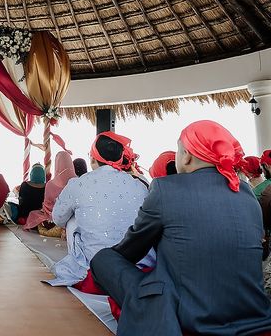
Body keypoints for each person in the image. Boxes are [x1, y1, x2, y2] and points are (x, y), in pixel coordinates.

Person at [91, 121, 271, 335]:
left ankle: (150, 313)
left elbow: (130, 252)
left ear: (186, 155)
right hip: (253, 314)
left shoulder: (165, 189)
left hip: (189, 315)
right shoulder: (245, 193)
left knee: (103, 259)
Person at [46, 132, 150, 287]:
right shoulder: (139, 185)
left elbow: (58, 218)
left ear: (93, 158)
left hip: (96, 263)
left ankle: (84, 260)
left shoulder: (78, 184)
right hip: (137, 262)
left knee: (72, 218)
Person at [24, 151, 76, 231]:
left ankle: (56, 227)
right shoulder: (78, 182)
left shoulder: (50, 184)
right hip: (73, 219)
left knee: (33, 214)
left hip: (53, 219)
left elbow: (47, 207)